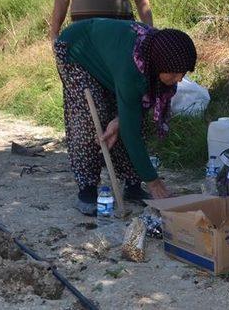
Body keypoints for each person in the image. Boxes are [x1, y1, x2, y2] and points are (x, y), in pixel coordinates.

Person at [55, 18, 197, 215]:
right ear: (160, 65)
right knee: (90, 119)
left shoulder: (155, 55)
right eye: (174, 74)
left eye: (183, 73)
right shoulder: (133, 68)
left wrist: (120, 119)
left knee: (130, 120)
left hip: (108, 59)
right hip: (77, 50)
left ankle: (132, 184)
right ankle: (86, 190)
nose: (179, 79)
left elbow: (136, 110)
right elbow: (131, 133)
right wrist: (154, 182)